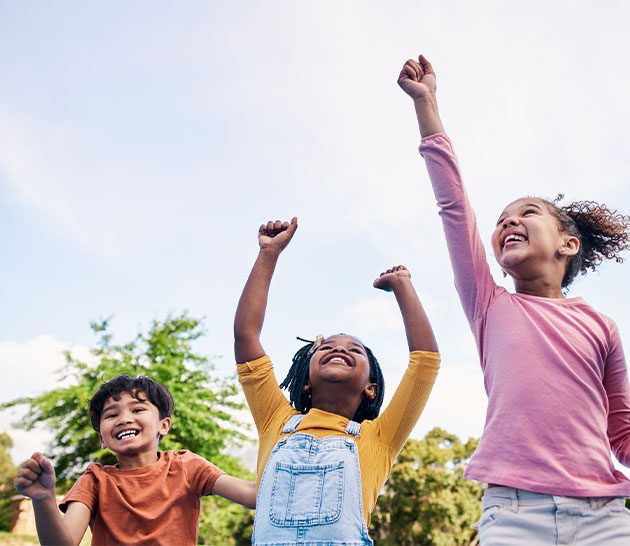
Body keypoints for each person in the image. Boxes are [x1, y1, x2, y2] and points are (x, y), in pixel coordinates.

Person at [398, 54, 630, 544]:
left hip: (603, 515)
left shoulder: (601, 326)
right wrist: (428, 106)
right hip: (514, 509)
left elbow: (622, 431)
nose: (507, 222)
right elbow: (455, 209)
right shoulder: (490, 304)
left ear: (568, 245)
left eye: (527, 213)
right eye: (502, 219)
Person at [233, 217, 440, 545]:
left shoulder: (380, 438)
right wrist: (268, 254)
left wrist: (402, 285)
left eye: (354, 350)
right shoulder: (276, 419)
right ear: (305, 382)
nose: (338, 349)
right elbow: (246, 336)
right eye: (326, 347)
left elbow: (425, 363)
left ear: (370, 386)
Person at [14, 374, 256, 546]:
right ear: (102, 439)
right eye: (111, 414)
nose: (124, 418)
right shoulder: (95, 480)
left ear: (164, 425)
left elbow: (250, 494)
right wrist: (44, 499)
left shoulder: (186, 466)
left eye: (137, 409)